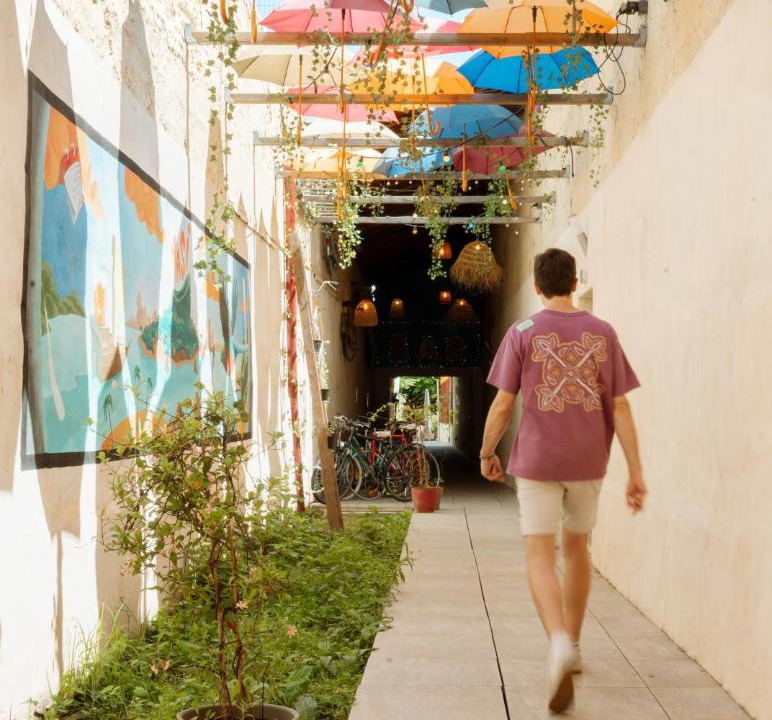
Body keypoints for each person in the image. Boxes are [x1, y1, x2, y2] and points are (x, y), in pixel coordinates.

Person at [479, 248, 647, 714]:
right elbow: (620, 407)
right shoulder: (603, 332)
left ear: (536, 286)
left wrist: (486, 450)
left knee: (538, 554)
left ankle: (557, 642)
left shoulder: (522, 333)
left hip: (536, 463)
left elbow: (502, 404)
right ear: (575, 282)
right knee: (577, 549)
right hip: (588, 462)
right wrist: (635, 471)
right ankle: (572, 643)